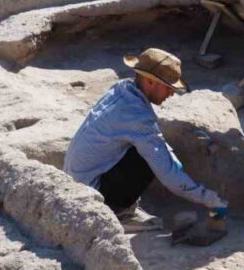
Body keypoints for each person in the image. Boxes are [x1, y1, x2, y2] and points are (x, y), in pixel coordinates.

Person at [63, 48, 227, 232]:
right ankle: (117, 213)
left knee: (152, 149)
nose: (171, 94)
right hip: (91, 196)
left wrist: (174, 162)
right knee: (148, 159)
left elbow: (160, 148)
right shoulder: (137, 117)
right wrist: (209, 199)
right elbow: (166, 171)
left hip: (76, 181)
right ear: (150, 81)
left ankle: (124, 206)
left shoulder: (121, 89)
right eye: (168, 87)